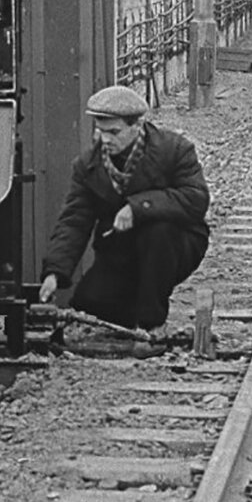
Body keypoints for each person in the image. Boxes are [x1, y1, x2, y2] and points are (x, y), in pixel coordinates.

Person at [38, 84, 210, 336]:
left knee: (158, 232)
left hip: (175, 245)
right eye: (100, 131)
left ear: (137, 126)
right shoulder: (88, 166)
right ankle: (131, 312)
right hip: (120, 250)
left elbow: (196, 199)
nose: (105, 140)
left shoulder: (174, 150)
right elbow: (74, 222)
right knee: (90, 306)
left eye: (114, 132)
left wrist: (138, 207)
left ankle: (153, 325)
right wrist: (55, 272)